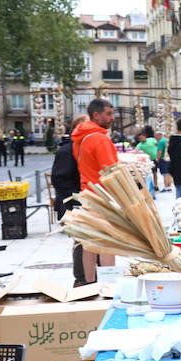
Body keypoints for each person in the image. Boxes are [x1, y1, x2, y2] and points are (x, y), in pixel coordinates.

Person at [72, 100, 120, 285]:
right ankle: (109, 286)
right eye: (108, 114)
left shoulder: (82, 137)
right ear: (96, 115)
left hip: (88, 194)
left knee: (89, 244)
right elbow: (111, 171)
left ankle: (90, 282)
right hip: (102, 196)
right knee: (107, 243)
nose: (112, 118)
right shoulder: (99, 138)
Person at [50, 120, 84, 285]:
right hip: (76, 204)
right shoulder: (66, 151)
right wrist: (77, 197)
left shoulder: (83, 148)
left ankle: (92, 277)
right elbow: (59, 179)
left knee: (92, 243)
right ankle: (81, 279)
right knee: (81, 241)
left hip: (87, 202)